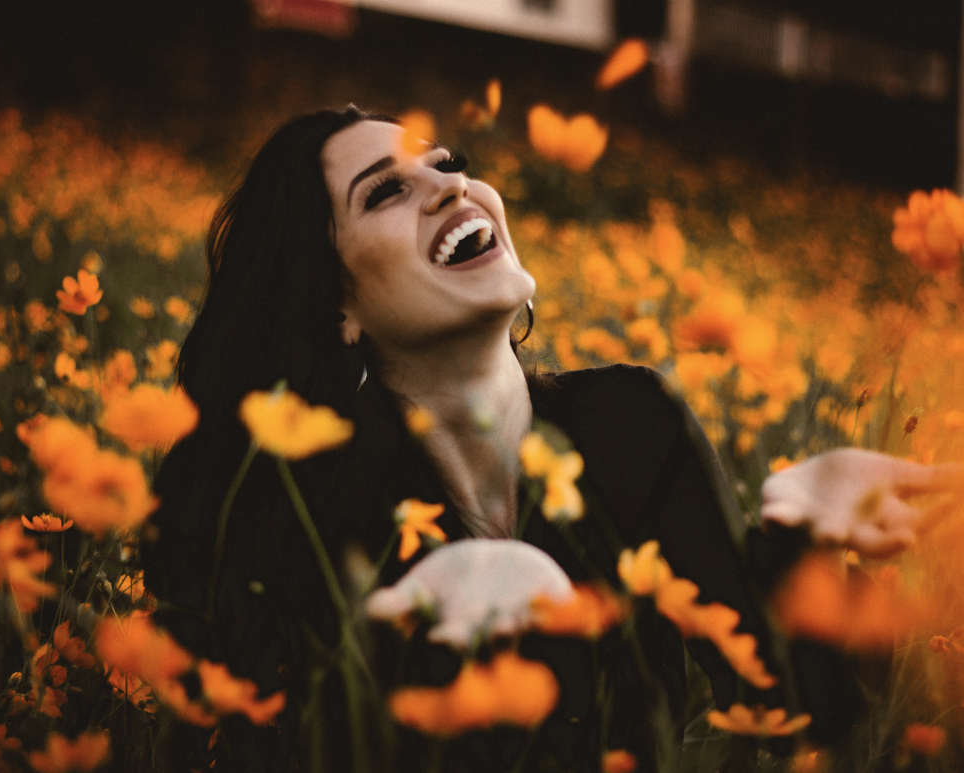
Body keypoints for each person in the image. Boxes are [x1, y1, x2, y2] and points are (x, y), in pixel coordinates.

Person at [140, 105, 951, 772]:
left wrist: (800, 530)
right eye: (384, 191)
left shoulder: (633, 423)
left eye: (447, 162)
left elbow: (802, 712)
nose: (449, 186)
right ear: (335, 311)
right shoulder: (319, 523)